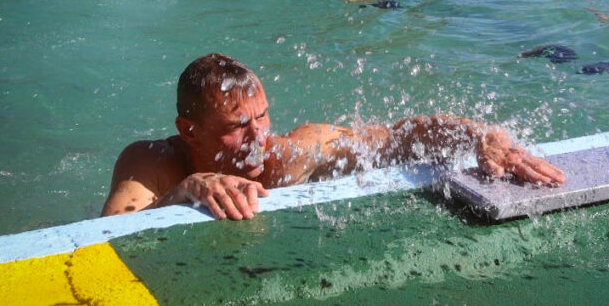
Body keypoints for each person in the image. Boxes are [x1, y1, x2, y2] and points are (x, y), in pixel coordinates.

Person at [102, 53, 565, 220]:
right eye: (237, 126)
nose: (258, 136)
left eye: (262, 117)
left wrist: (477, 134)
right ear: (190, 130)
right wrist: (186, 190)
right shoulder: (154, 163)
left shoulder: (288, 155)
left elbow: (395, 138)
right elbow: (106, 231)